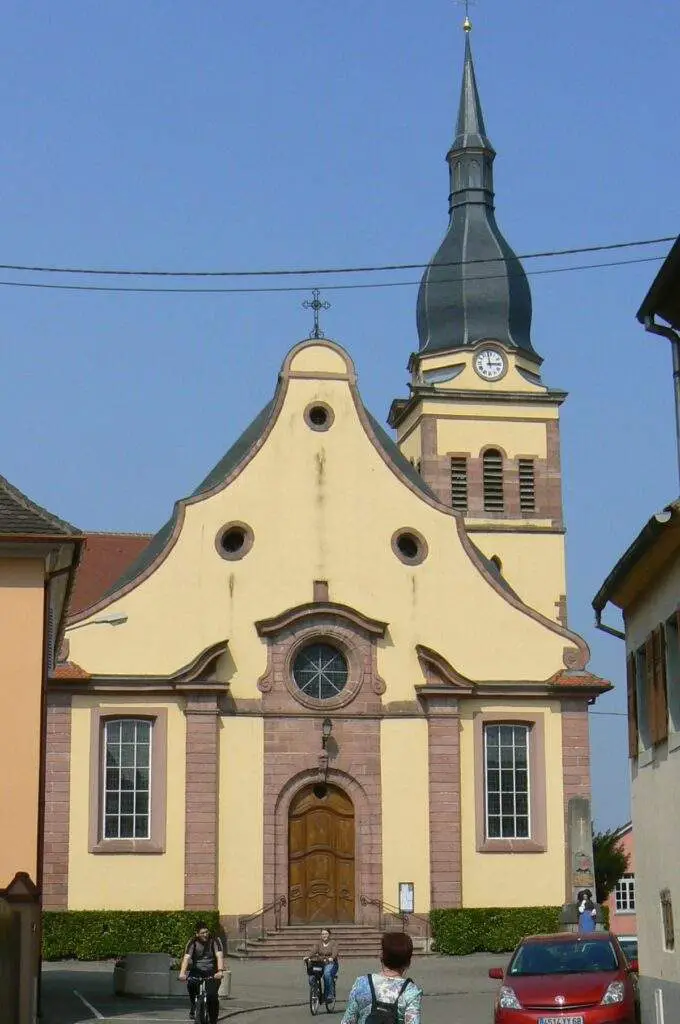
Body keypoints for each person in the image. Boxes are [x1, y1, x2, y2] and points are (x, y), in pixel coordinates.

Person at [341, 932, 422, 1024]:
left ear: (382, 956)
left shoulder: (362, 983)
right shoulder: (410, 992)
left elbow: (347, 1021)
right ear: (408, 962)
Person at [179, 921, 224, 1023]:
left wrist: (220, 972)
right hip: (197, 970)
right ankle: (194, 1005)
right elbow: (186, 958)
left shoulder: (215, 940)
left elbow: (219, 956)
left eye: (207, 932)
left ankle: (213, 1020)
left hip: (212, 971)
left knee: (212, 996)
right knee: (191, 984)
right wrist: (182, 974)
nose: (205, 935)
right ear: (197, 934)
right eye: (203, 933)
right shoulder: (192, 942)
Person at [306, 927, 340, 1002]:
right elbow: (313, 951)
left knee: (327, 974)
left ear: (329, 934)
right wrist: (308, 956)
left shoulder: (333, 943)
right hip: (320, 963)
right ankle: (315, 992)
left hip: (331, 963)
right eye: (322, 934)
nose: (324, 935)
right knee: (312, 975)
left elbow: (335, 952)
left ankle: (329, 994)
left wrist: (332, 957)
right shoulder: (318, 943)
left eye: (326, 934)